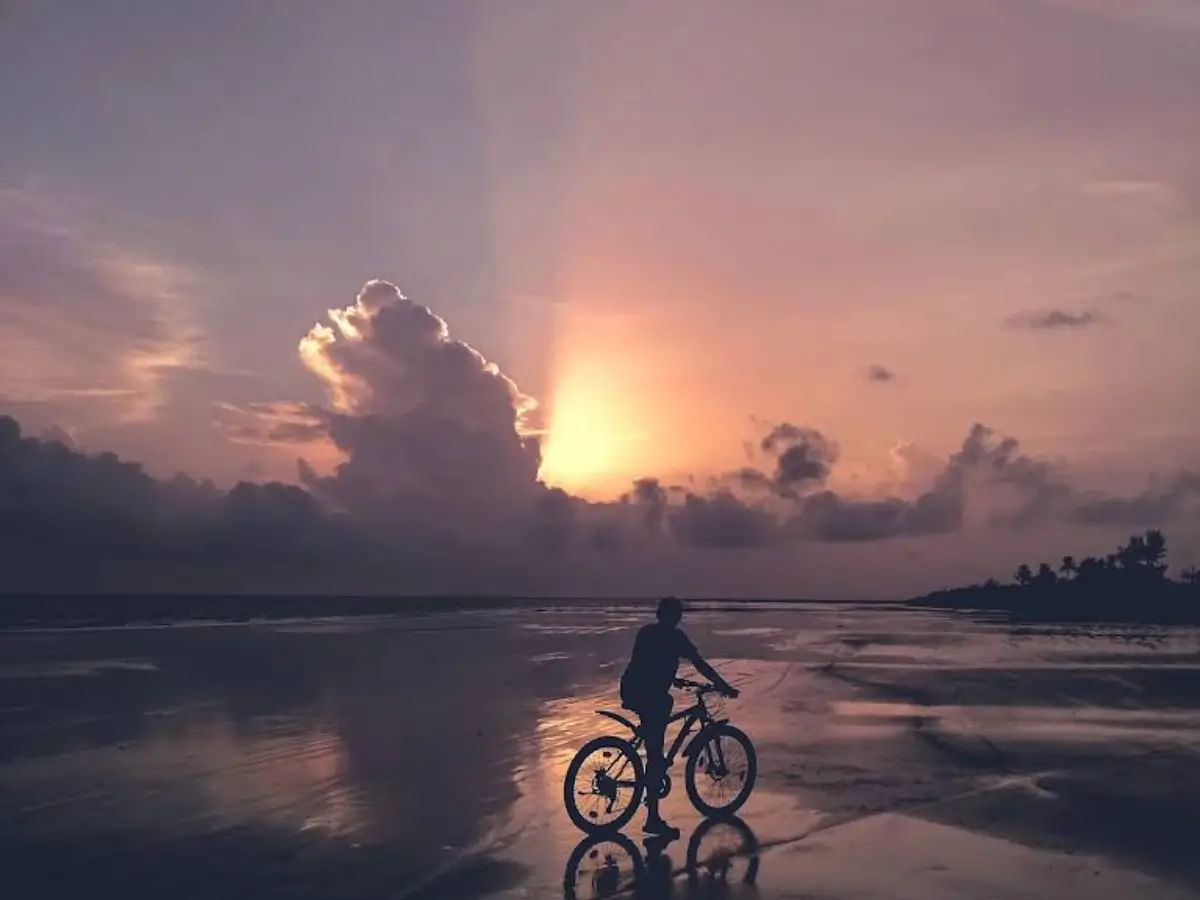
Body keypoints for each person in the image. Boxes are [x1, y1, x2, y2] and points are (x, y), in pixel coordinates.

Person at [620, 596, 738, 837]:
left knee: (661, 713)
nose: (677, 618)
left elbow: (644, 664)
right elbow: (699, 664)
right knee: (656, 751)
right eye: (676, 614)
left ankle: (653, 758)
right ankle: (652, 820)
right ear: (673, 616)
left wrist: (672, 679)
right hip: (650, 695)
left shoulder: (646, 632)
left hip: (631, 688)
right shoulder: (675, 637)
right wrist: (723, 685)